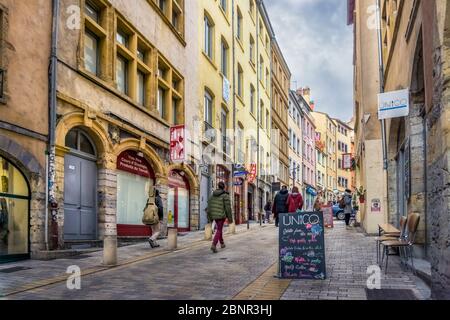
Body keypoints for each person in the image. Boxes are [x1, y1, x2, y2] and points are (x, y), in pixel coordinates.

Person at [207, 181, 233, 253]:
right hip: (221, 215)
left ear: (218, 186)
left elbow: (209, 206)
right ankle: (214, 245)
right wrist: (230, 219)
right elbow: (228, 208)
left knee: (219, 229)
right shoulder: (225, 195)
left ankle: (222, 243)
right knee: (219, 230)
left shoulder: (212, 195)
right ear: (224, 187)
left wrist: (210, 217)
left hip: (214, 215)